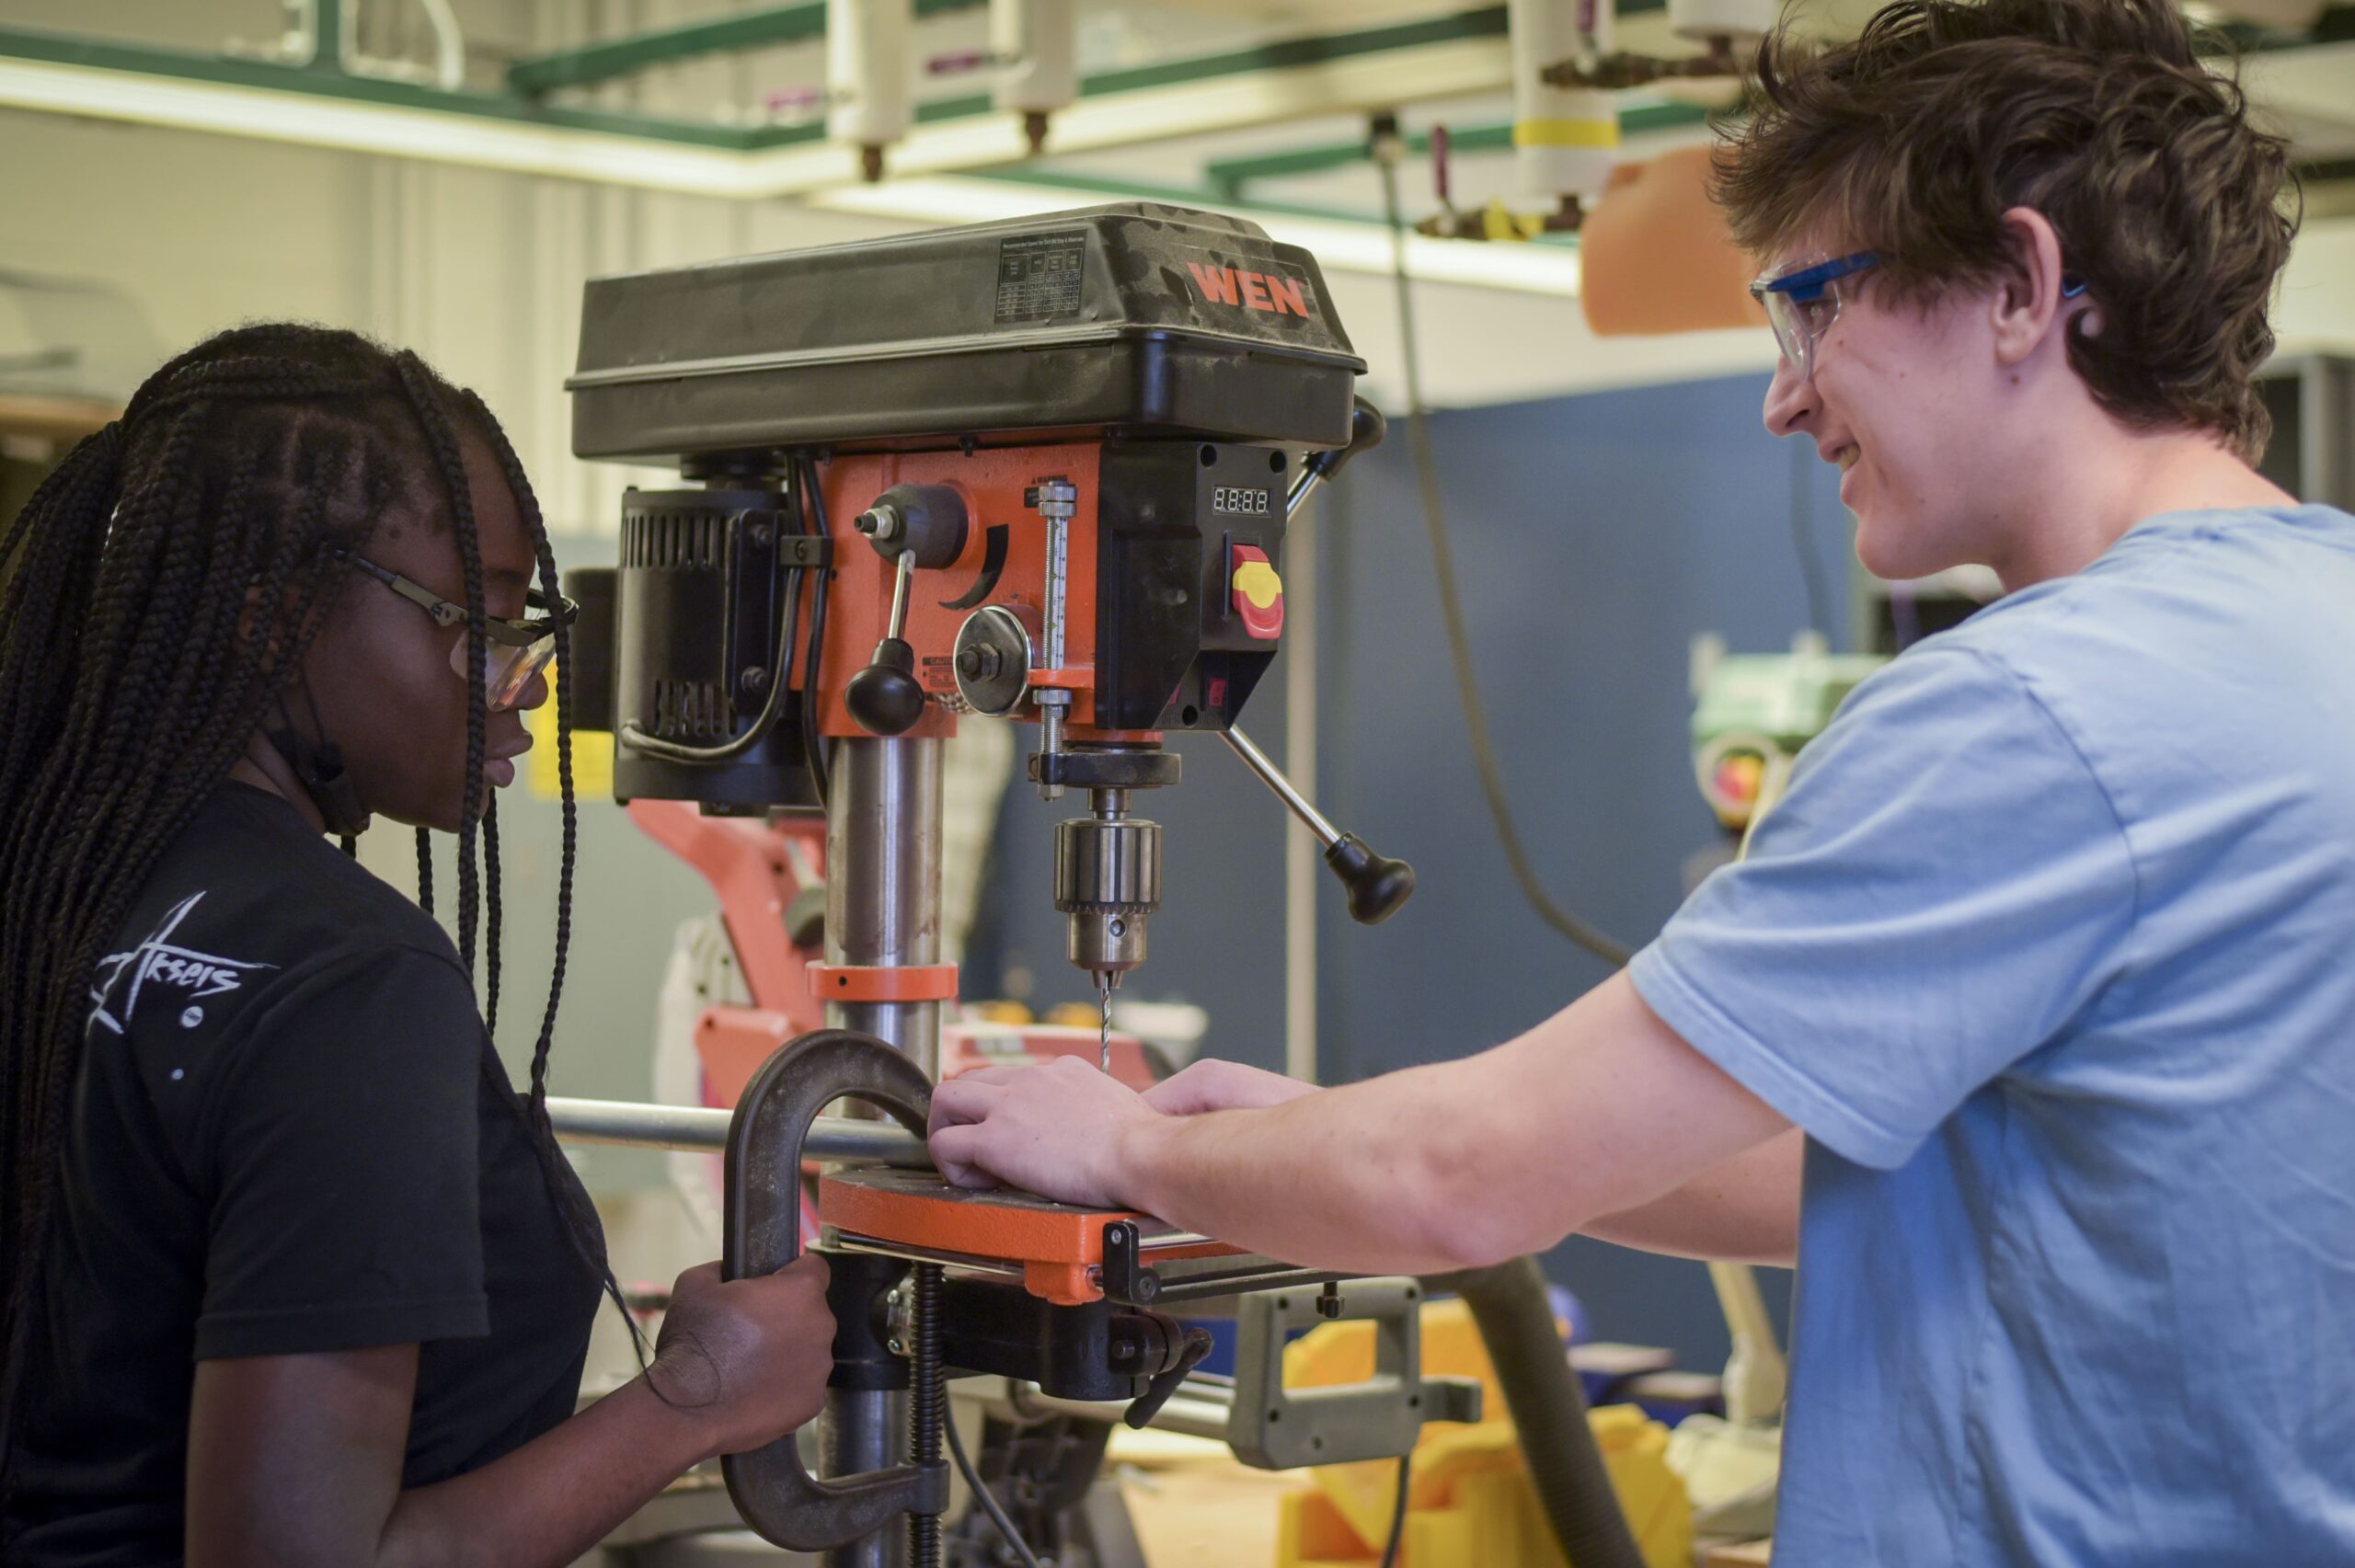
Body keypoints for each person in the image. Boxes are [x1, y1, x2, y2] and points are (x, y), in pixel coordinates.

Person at [928, 0, 2355, 1560]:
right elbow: (1850, 1157)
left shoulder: (2032, 710)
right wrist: (1318, 1137)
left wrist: (1126, 1145)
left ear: (2019, 285)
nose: (1785, 395)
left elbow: (1466, 1181)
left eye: (1812, 309)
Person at [0, 326, 833, 1566]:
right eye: (482, 619)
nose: (527, 682)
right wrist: (697, 1394)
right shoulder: (347, 983)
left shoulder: (63, 882)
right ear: (273, 617)